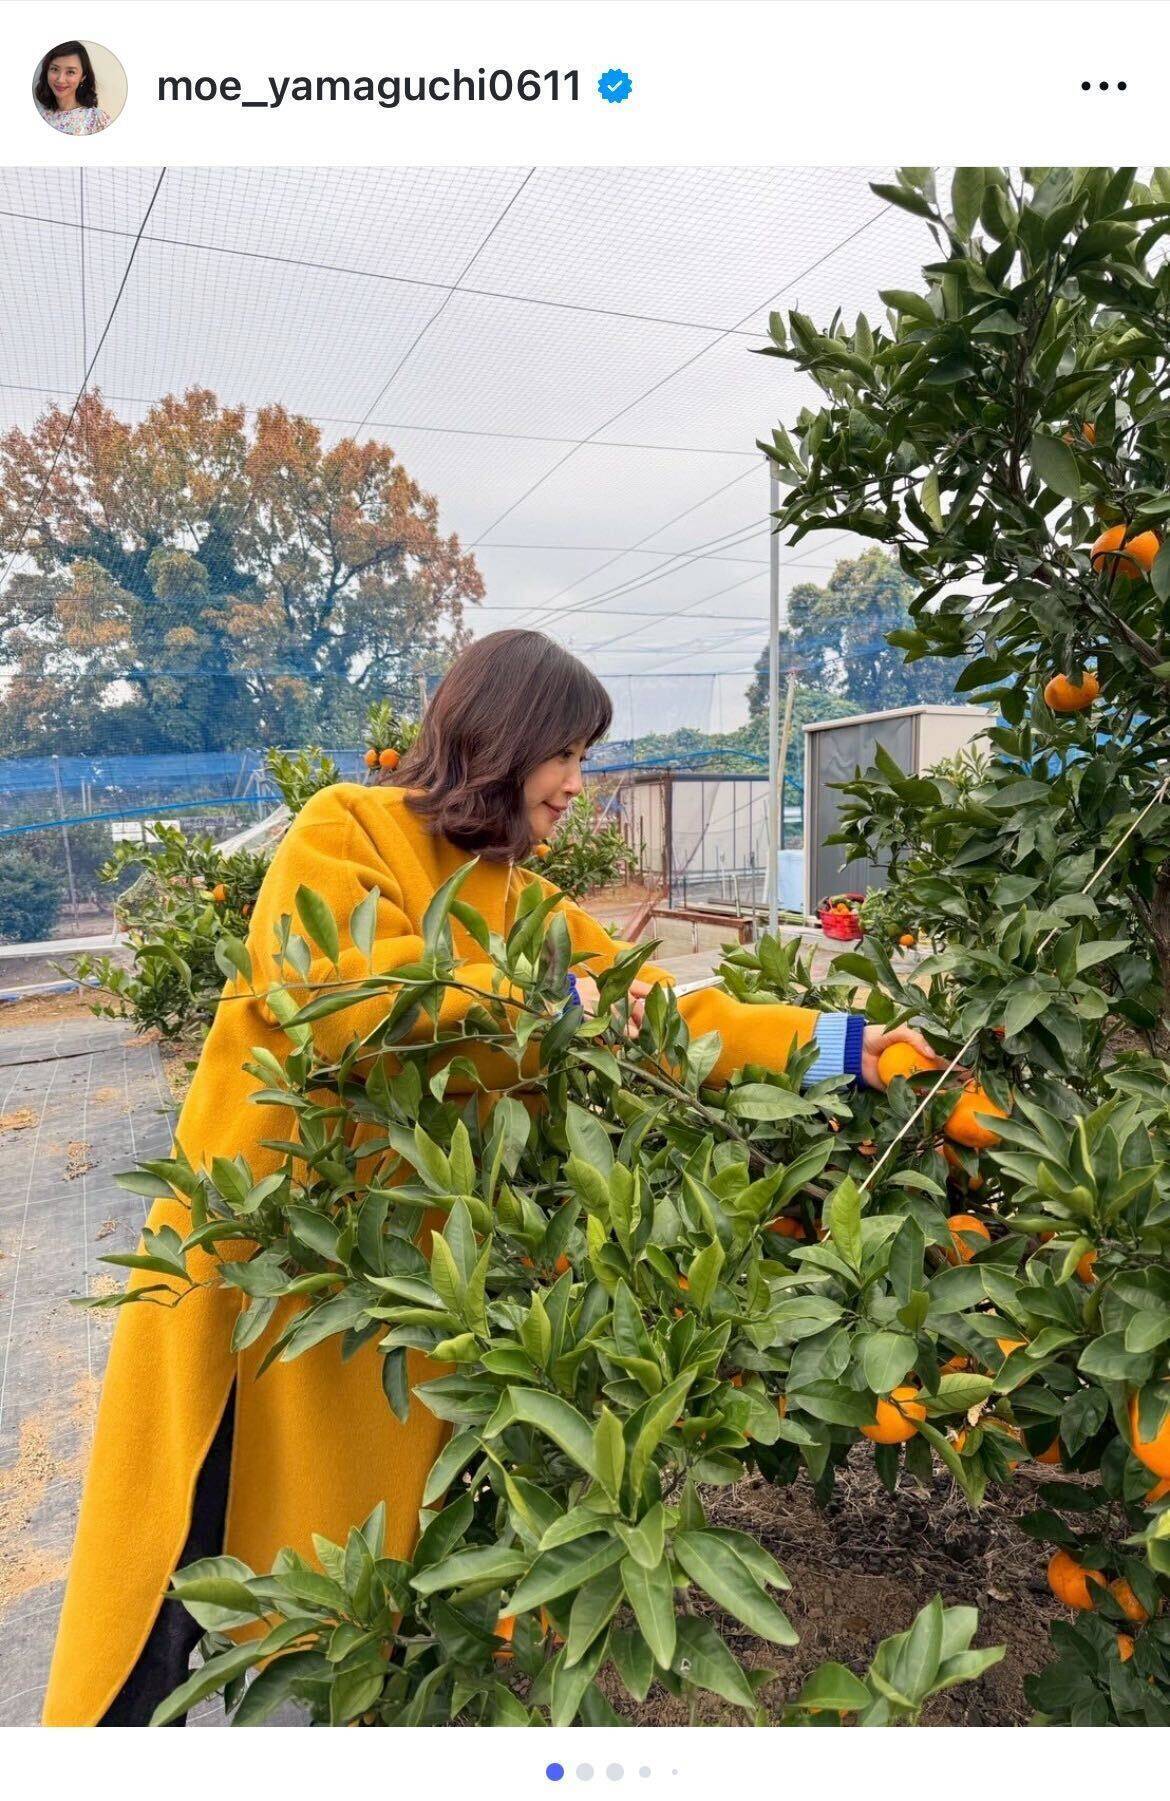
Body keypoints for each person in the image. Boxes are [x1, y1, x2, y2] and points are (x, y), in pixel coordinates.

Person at [43, 631, 937, 1726]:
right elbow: (341, 994)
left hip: (369, 1293)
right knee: (167, 1562)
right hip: (251, 1260)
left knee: (313, 1593)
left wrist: (848, 1043)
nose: (579, 783)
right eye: (569, 753)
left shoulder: (524, 902)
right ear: (504, 739)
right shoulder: (346, 829)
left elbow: (665, 1013)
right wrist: (533, 1001)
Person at [34, 42, 113, 136]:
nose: (60, 80)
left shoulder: (97, 119)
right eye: (55, 69)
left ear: (82, 77)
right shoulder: (40, 114)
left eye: (71, 72)